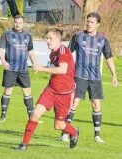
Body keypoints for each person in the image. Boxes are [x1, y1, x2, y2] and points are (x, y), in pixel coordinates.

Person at [16, 28, 79, 150]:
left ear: (58, 39)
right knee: (34, 114)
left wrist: (41, 68)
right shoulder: (53, 53)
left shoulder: (63, 51)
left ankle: (74, 132)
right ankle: (24, 144)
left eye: (50, 38)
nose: (47, 41)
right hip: (51, 90)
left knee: (59, 125)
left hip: (65, 94)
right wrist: (41, 67)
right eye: (47, 38)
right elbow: (53, 68)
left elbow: (62, 70)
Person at [60, 12, 119, 143]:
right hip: (79, 76)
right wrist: (63, 70)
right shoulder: (78, 37)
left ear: (98, 24)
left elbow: (109, 58)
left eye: (92, 22)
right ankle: (65, 132)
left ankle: (97, 135)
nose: (89, 24)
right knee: (74, 103)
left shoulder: (103, 40)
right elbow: (68, 54)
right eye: (88, 21)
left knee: (96, 104)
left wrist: (114, 75)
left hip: (95, 78)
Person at [0, 15, 36, 122]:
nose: (17, 24)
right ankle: (3, 115)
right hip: (11, 68)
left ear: (23, 23)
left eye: (20, 22)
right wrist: (3, 61)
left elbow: (30, 51)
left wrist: (34, 63)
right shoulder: (7, 34)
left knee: (27, 91)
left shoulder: (27, 35)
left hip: (23, 69)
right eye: (16, 22)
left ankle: (31, 117)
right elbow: (1, 49)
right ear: (13, 23)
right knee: (8, 91)